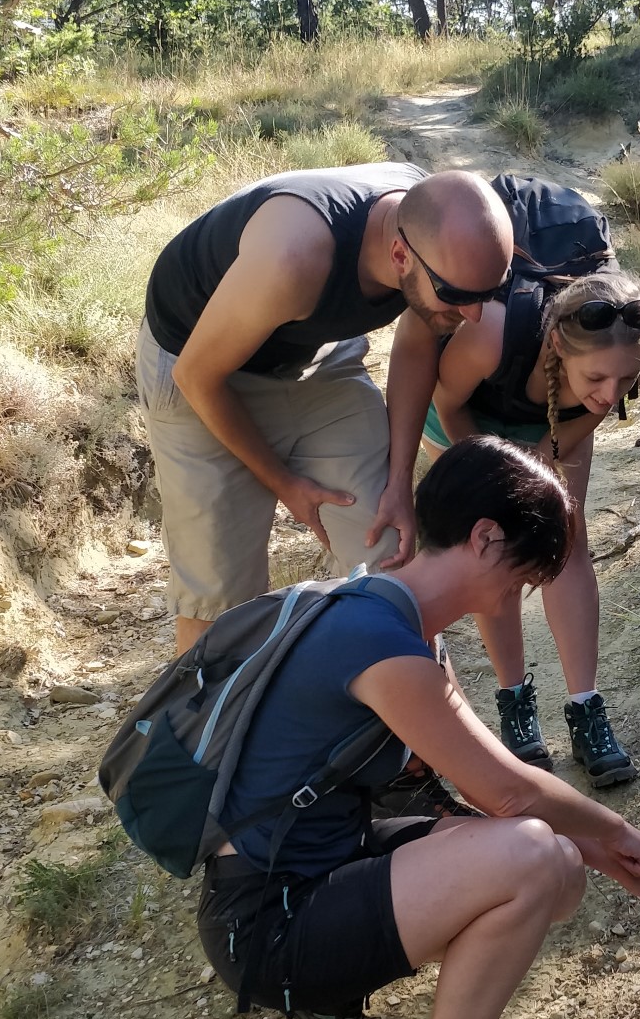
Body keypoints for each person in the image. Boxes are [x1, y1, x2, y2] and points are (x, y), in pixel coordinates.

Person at [198, 436, 640, 1019]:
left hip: (286, 885)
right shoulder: (383, 643)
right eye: (524, 576)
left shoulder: (379, 612)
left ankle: (335, 996)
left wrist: (599, 853)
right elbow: (505, 787)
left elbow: (455, 798)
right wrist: (622, 831)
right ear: (484, 537)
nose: (518, 597)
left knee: (554, 864)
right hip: (268, 926)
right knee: (536, 861)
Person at [138, 162, 515, 656]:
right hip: (201, 367)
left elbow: (418, 344)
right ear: (399, 254)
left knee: (391, 552)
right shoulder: (294, 256)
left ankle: (405, 723)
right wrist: (283, 482)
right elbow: (197, 377)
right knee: (221, 606)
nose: (474, 315)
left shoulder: (433, 229)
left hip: (312, 355)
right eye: (459, 297)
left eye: (488, 294)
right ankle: (203, 732)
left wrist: (400, 481)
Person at [423, 269, 640, 786]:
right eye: (597, 378)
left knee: (568, 543)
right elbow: (446, 402)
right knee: (494, 553)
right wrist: (495, 473)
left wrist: (549, 449)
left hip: (556, 423)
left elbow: (600, 408)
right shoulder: (491, 335)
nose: (611, 393)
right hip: (464, 419)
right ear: (558, 344)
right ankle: (514, 704)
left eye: (625, 379)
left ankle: (586, 710)